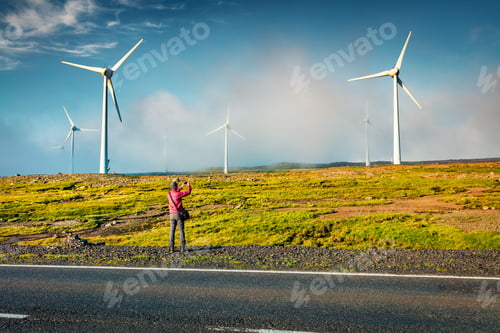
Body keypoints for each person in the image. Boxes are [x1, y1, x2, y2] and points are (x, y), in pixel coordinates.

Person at [167, 181, 191, 252]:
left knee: (172, 231)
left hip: (171, 215)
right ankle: (182, 248)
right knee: (181, 230)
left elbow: (175, 192)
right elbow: (188, 192)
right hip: (179, 214)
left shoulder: (168, 194)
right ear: (176, 187)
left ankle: (171, 248)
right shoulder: (178, 194)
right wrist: (188, 186)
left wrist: (181, 186)